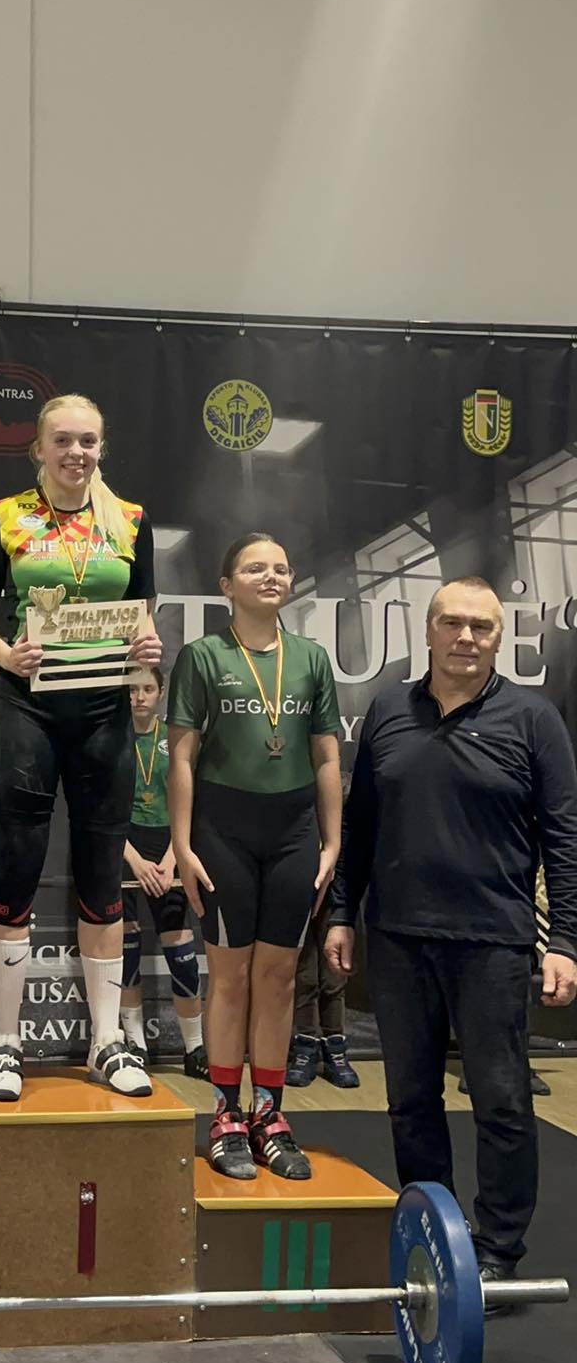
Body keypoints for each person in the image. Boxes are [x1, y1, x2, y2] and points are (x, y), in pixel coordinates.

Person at [325, 577, 577, 1291]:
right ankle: (433, 1233)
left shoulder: (534, 719)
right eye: (453, 623)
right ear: (428, 630)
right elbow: (360, 826)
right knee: (410, 1101)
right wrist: (341, 912)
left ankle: (497, 1251)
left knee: (502, 1102)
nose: (466, 637)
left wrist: (565, 941)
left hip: (493, 943)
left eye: (482, 627)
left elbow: (564, 838)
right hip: (398, 939)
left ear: (499, 638)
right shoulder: (388, 710)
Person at [0, 392, 162, 1101]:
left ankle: (108, 1042)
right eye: (63, 441)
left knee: (103, 875)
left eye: (88, 441)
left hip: (105, 712)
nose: (76, 453)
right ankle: (5, 1044)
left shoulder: (131, 520)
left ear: (101, 448)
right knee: (16, 868)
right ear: (40, 448)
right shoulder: (4, 517)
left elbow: (143, 615)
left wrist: (147, 646)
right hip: (30, 708)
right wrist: (6, 656)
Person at [168, 533, 342, 1182]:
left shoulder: (312, 659)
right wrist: (182, 843)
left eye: (281, 568)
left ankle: (269, 1114)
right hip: (223, 832)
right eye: (254, 567)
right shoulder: (202, 656)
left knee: (278, 977)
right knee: (230, 977)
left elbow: (326, 757)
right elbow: (182, 755)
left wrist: (333, 841)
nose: (271, 576)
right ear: (226, 585)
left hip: (294, 832)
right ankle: (225, 1115)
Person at [120, 666, 207, 1077]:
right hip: (122, 845)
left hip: (170, 845)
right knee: (126, 954)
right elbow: (99, 810)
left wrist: (175, 856)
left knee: (183, 956)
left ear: (160, 692)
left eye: (147, 689)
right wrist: (135, 860)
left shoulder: (176, 738)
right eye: (132, 689)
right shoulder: (111, 739)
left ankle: (195, 1050)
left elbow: (191, 802)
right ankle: (134, 1045)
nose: (139, 697)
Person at [286, 895, 361, 1090]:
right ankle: (305, 1045)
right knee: (304, 976)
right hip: (300, 889)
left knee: (334, 974)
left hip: (336, 895)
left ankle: (335, 1047)